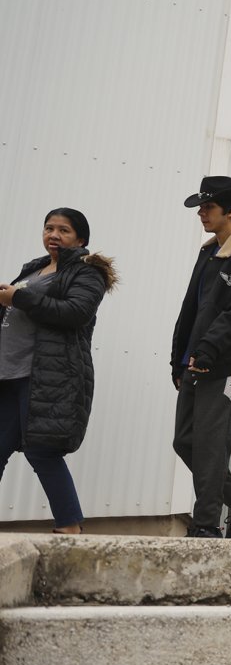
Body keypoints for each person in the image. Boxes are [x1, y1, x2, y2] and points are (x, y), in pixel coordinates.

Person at [0, 208, 117, 534]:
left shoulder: (85, 273)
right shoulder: (35, 269)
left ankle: (69, 525)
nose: (54, 234)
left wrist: (19, 298)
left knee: (42, 450)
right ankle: (69, 523)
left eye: (63, 230)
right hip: (9, 374)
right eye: (49, 228)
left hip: (44, 375)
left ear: (80, 239)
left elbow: (75, 312)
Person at [171, 177, 231, 539]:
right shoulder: (207, 252)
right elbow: (192, 310)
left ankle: (206, 526)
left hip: (223, 365)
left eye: (208, 207)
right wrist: (178, 359)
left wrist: (209, 350)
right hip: (194, 363)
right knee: (185, 441)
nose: (201, 213)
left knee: (211, 448)